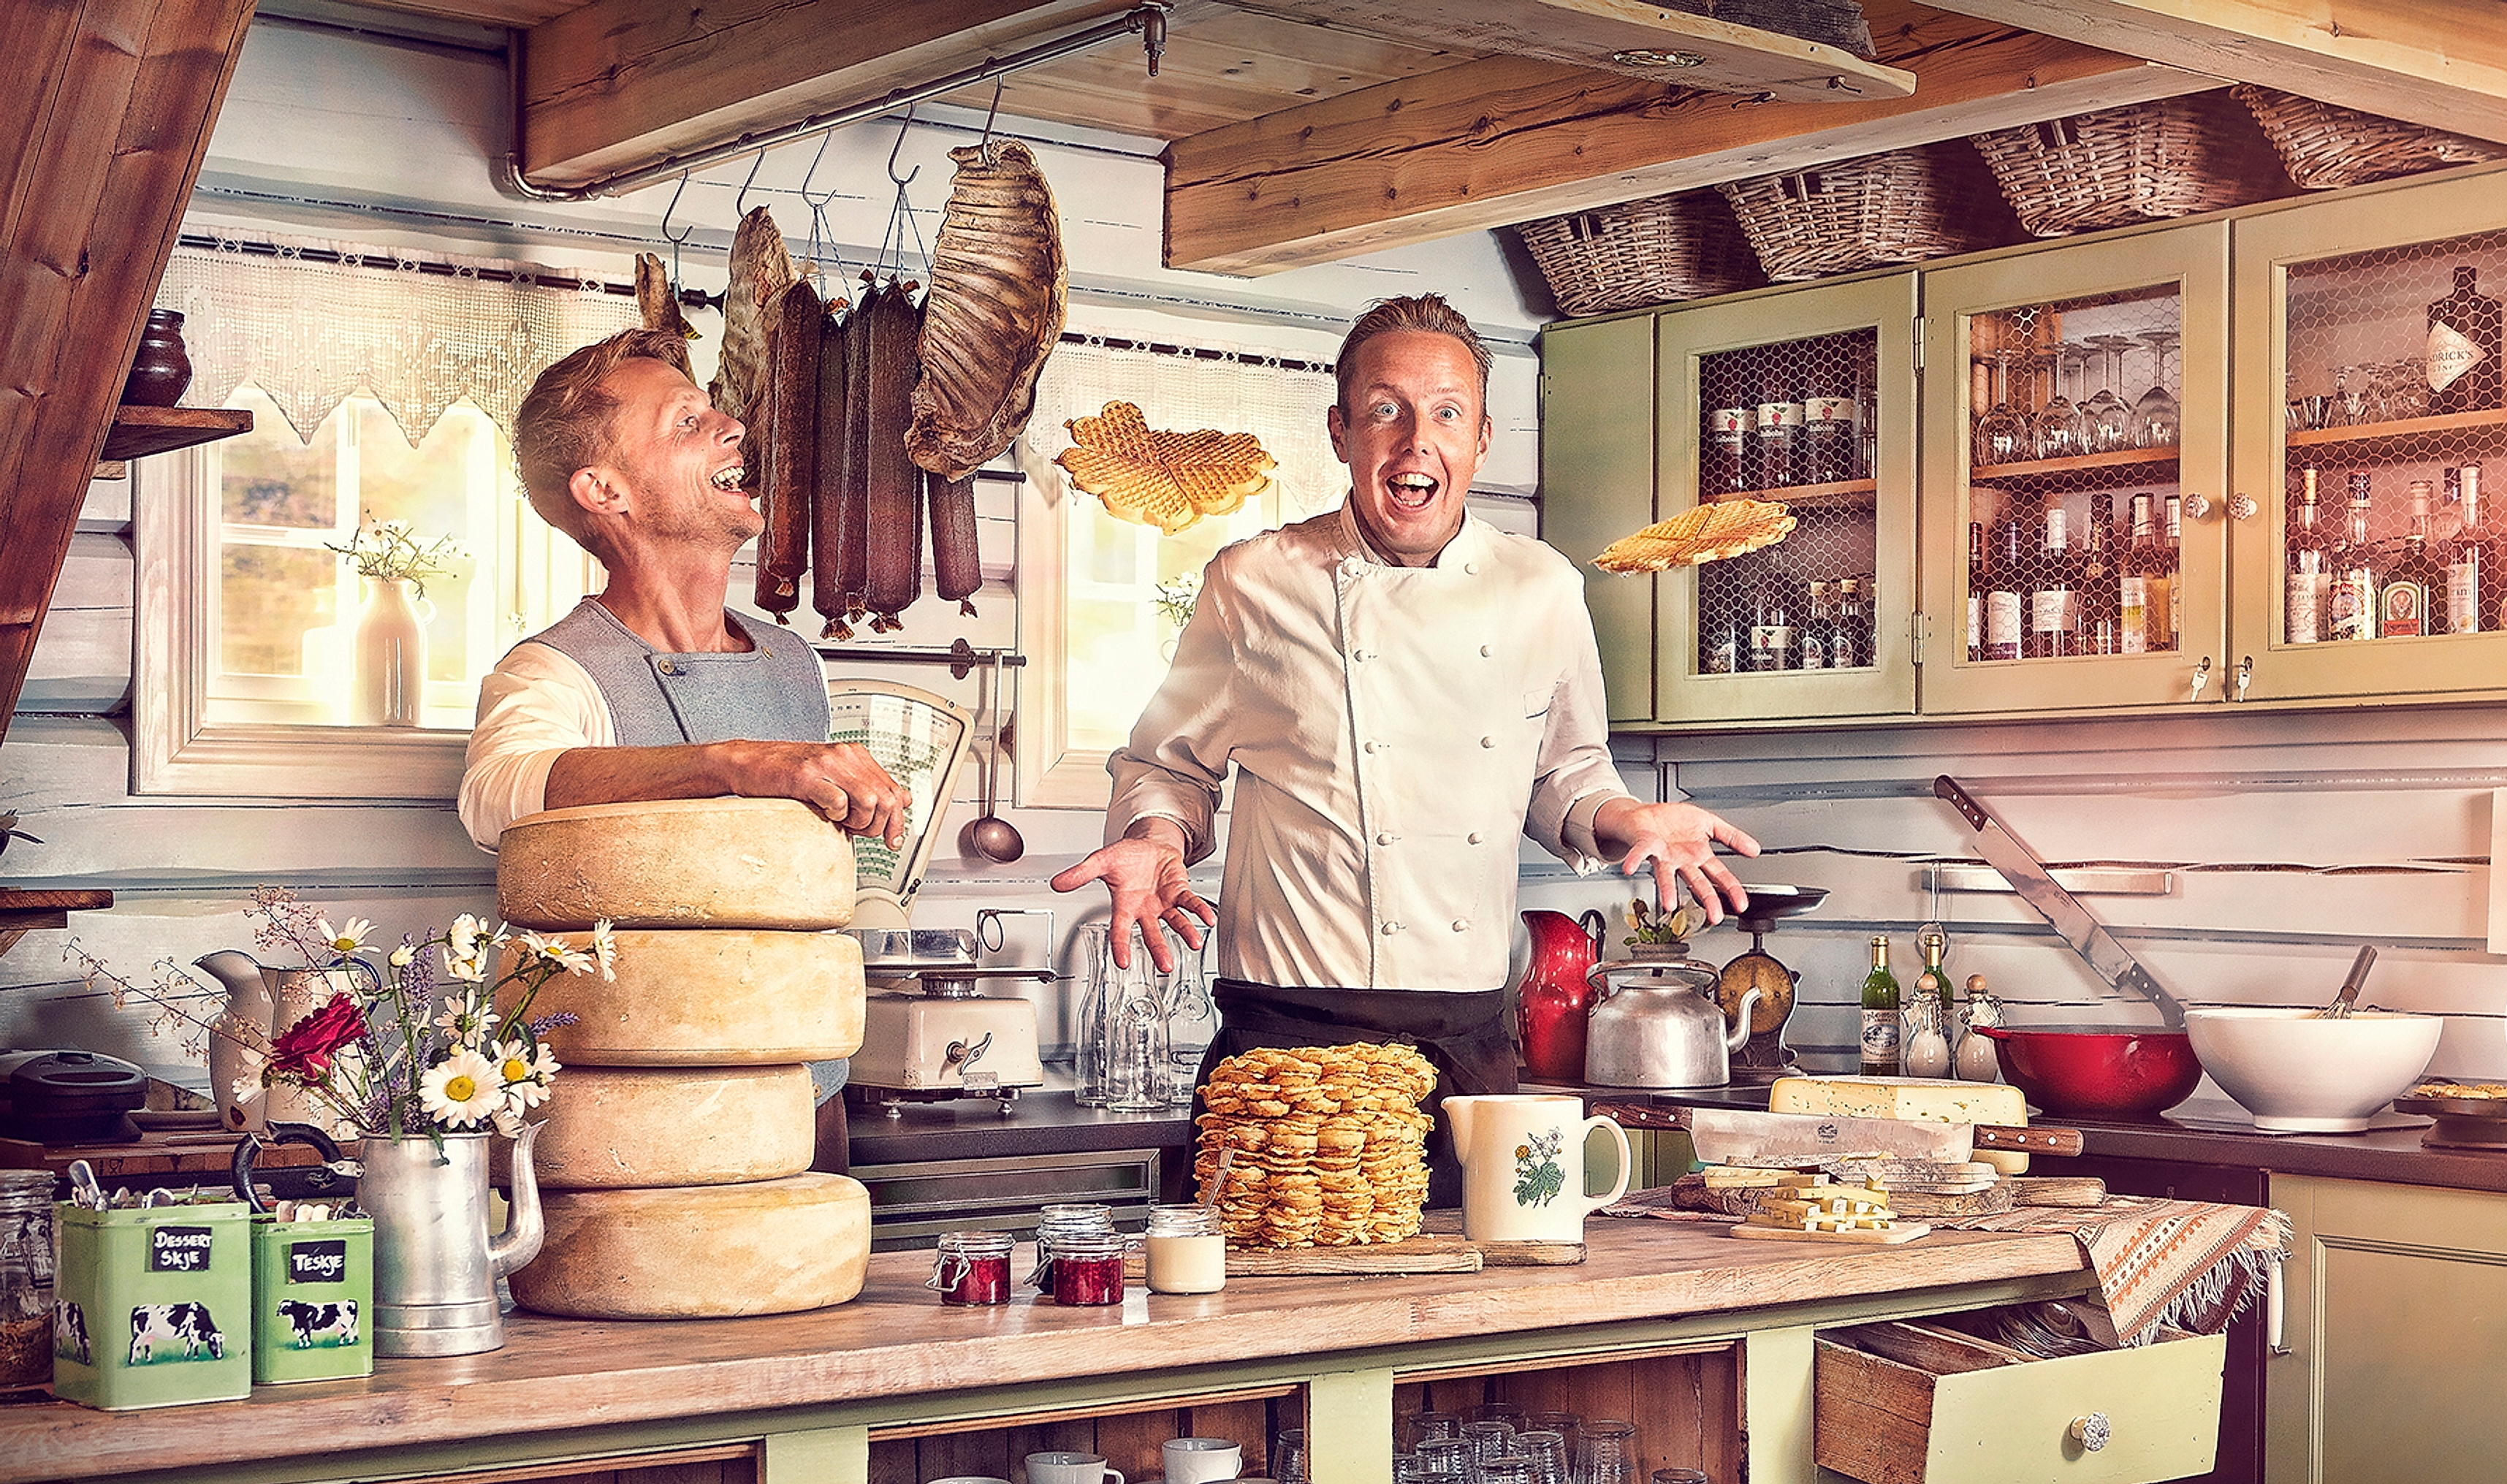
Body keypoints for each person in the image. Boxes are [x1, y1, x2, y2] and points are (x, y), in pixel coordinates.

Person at [1053, 294, 1757, 1200]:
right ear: (1342, 431)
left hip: (1469, 1047)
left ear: (1482, 438)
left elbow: (1565, 776)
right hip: (1287, 1042)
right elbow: (1167, 764)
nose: (1417, 438)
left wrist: (1627, 817)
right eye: (1387, 409)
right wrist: (1155, 839)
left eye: (1446, 412)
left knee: (1471, 1322)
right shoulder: (1254, 581)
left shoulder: (1539, 588)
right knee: (1274, 1313)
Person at [458, 327, 906, 1174]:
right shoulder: (554, 669)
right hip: (643, 1122)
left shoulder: (793, 659)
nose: (733, 426)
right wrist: (728, 764)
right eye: (688, 423)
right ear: (605, 490)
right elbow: (497, 794)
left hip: (806, 1093)